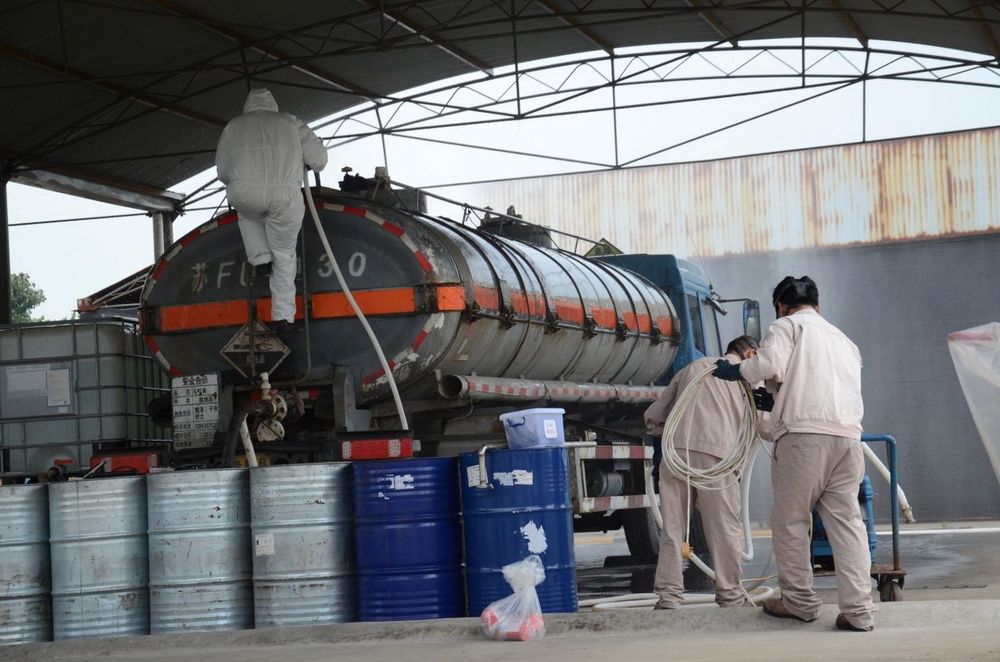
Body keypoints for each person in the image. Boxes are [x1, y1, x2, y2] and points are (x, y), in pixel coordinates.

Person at [714, 276, 876, 632]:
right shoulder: (844, 340)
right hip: (848, 440)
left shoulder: (785, 326)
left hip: (804, 441)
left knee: (791, 523)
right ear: (818, 306)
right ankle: (859, 611)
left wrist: (736, 370)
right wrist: (777, 397)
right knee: (848, 524)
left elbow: (767, 364)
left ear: (781, 306)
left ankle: (799, 602)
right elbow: (813, 384)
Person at [644, 334, 760, 609]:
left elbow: (653, 416)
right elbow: (765, 426)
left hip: (676, 454)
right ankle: (731, 597)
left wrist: (668, 434)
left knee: (673, 529)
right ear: (751, 354)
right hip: (717, 457)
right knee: (724, 529)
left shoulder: (693, 368)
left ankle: (669, 597)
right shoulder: (748, 376)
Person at [216, 88, 328, 331]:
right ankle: (283, 316)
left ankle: (259, 257)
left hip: (245, 193)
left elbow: (223, 172)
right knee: (284, 254)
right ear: (273, 104)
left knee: (247, 214)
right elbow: (319, 161)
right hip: (285, 196)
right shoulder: (291, 122)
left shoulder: (232, 126)